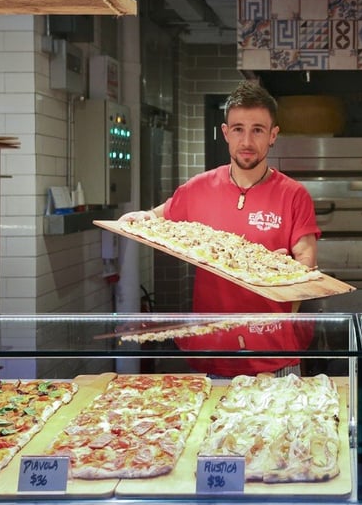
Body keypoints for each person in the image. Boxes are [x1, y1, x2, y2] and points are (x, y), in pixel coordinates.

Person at [119, 80, 320, 378]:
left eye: (258, 130)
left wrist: (287, 270)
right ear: (225, 133)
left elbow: (307, 261)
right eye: (238, 129)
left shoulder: (293, 195)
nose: (247, 141)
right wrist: (138, 218)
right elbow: (157, 217)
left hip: (274, 352)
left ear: (273, 135)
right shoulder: (199, 188)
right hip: (214, 352)